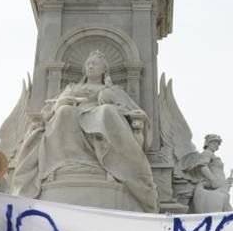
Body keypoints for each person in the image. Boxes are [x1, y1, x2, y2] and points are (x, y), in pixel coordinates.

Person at [11, 50, 158, 212]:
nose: (90, 66)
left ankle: (109, 163)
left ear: (104, 69)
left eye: (95, 64)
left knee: (107, 111)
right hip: (73, 115)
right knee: (64, 112)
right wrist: (61, 104)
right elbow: (51, 109)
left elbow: (128, 108)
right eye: (88, 64)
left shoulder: (113, 89)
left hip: (98, 116)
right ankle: (67, 163)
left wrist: (109, 98)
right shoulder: (72, 87)